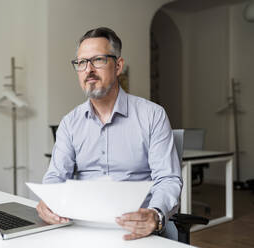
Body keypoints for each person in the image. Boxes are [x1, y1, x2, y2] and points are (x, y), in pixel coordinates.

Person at [36, 27, 182, 240]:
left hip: (138, 230)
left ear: (118, 66)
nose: (89, 69)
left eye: (99, 60)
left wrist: (155, 215)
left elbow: (168, 179)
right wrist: (47, 201)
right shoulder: (70, 122)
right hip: (81, 227)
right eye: (82, 62)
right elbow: (56, 175)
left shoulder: (153, 115)